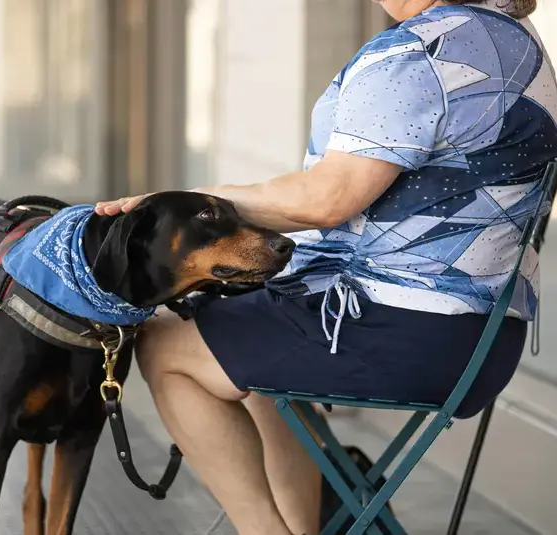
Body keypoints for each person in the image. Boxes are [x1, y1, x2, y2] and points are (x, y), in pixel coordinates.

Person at [96, 1, 557, 534]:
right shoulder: (515, 42)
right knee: (248, 358)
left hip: (396, 331)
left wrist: (183, 201)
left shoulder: (418, 53)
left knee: (162, 346)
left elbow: (325, 198)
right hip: (481, 344)